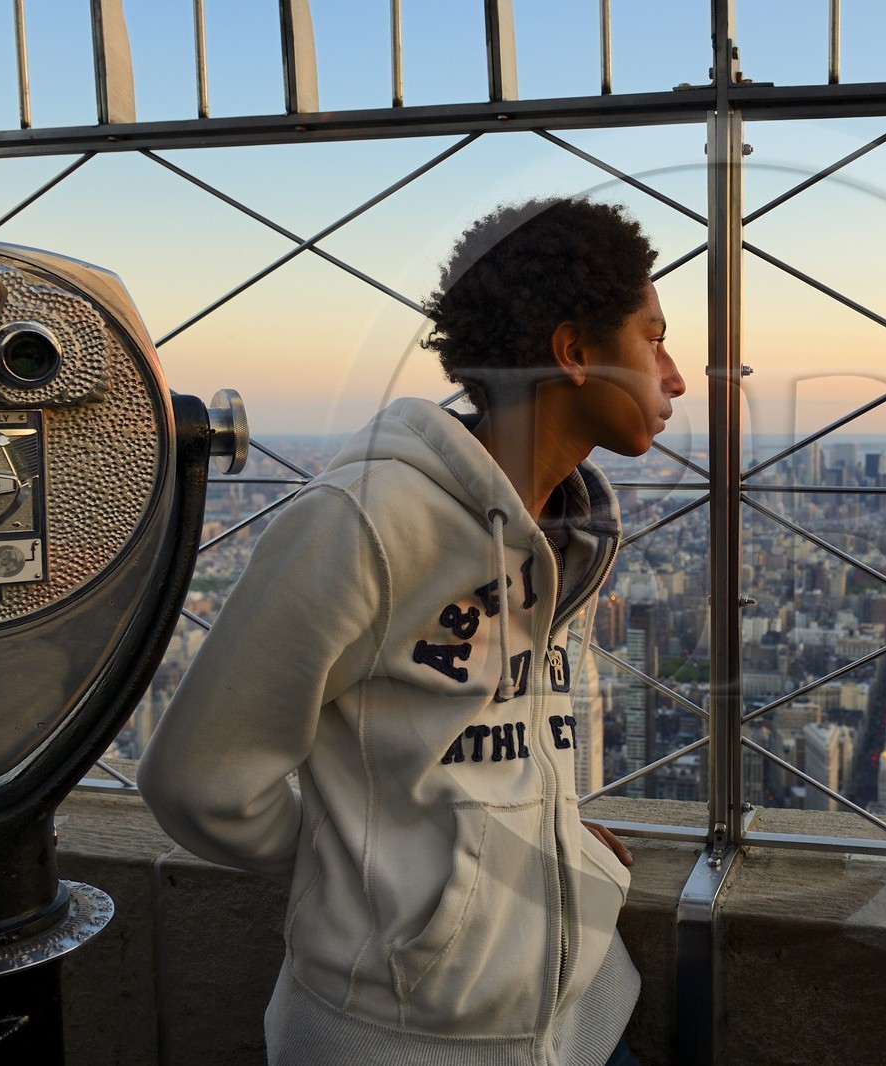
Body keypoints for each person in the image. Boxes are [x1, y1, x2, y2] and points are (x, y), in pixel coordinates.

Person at [139, 196, 686, 1066]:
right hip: (399, 1039)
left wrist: (554, 840)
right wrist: (368, 864)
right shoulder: (364, 519)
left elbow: (483, 746)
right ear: (575, 352)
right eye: (652, 338)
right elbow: (196, 779)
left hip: (583, 1019)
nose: (675, 375)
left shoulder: (560, 536)